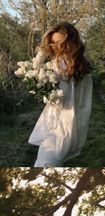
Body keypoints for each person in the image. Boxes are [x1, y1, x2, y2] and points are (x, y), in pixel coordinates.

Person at [28, 22, 93, 167]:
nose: (55, 47)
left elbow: (59, 98)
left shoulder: (60, 63)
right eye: (52, 43)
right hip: (73, 128)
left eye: (59, 42)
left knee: (43, 164)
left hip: (58, 130)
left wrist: (42, 88)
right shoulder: (82, 66)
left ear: (70, 42)